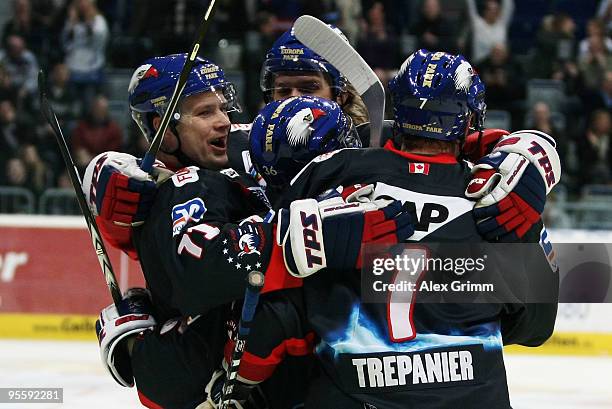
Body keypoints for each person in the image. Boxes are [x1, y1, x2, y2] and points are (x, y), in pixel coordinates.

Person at [212, 49, 560, 408]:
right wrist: (532, 144)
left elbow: (279, 297)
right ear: (469, 118)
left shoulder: (330, 172)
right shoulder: (498, 198)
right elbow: (535, 328)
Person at [85, 53, 406, 408]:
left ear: (341, 96)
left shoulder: (350, 147)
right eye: (284, 89)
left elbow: (438, 154)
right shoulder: (202, 173)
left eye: (310, 88)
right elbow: (194, 264)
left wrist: (477, 156)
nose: (223, 121)